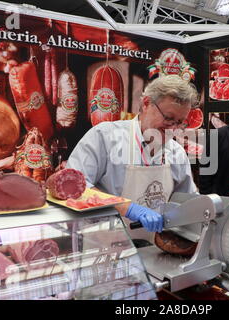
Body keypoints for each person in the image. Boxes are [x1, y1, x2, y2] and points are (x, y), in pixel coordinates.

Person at [67, 75, 198, 243]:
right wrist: (128, 208)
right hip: (104, 246)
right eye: (168, 118)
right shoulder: (105, 136)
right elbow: (75, 188)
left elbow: (185, 200)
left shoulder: (176, 152)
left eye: (180, 122)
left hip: (154, 248)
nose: (173, 128)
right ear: (146, 103)